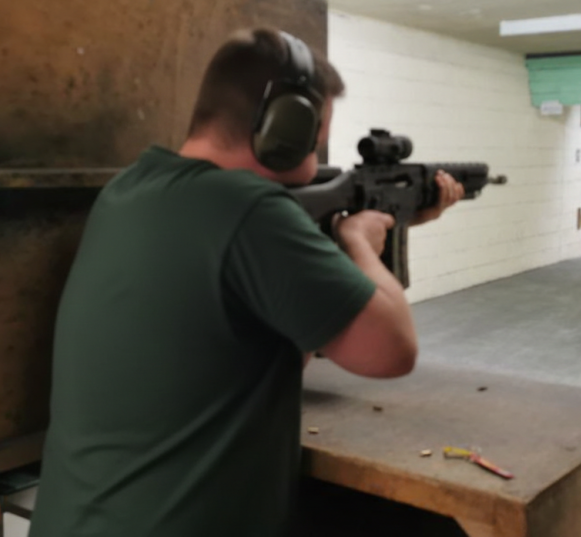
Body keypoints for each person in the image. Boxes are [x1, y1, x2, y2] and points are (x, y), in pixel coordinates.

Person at [28, 27, 464, 537]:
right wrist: (360, 242)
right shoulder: (251, 210)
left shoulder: (128, 190)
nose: (319, 147)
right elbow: (392, 351)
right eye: (317, 132)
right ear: (285, 127)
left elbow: (256, 340)